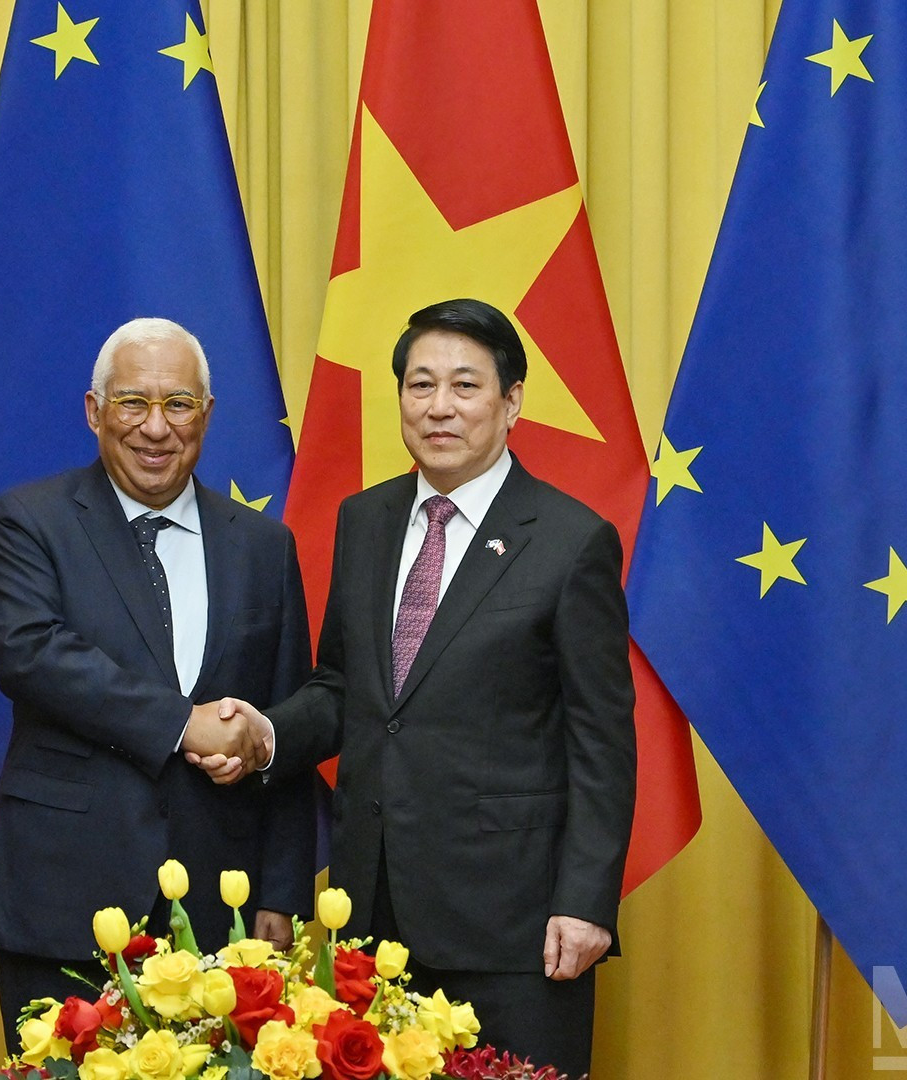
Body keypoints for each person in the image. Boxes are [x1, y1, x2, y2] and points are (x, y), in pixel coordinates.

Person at [197, 299, 636, 1074]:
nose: (439, 407)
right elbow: (345, 689)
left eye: (465, 386)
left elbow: (601, 737)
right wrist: (265, 733)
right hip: (375, 912)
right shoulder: (365, 520)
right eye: (419, 384)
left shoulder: (571, 542)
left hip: (516, 921)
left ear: (511, 403)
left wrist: (586, 900)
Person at [0, 317, 315, 1047]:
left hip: (221, 910)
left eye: (178, 405)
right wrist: (181, 724)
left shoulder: (263, 546)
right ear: (95, 412)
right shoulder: (31, 521)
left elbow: (284, 723)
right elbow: (31, 654)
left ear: (208, 414)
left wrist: (281, 894)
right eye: (132, 403)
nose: (155, 428)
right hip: (66, 897)